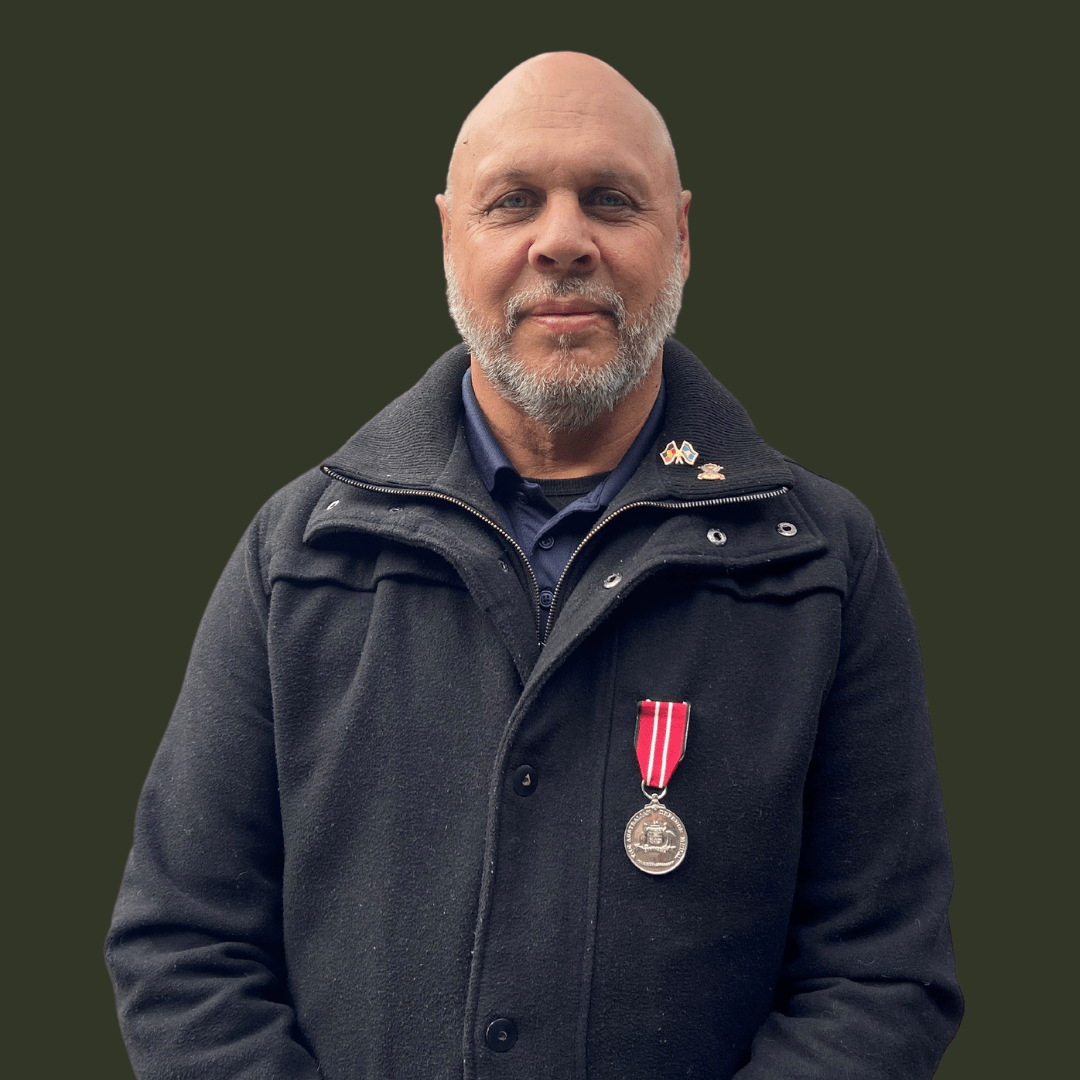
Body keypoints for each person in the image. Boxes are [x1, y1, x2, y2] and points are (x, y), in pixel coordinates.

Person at [106, 51, 962, 1079]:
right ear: (449, 238)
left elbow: (880, 978)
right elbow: (182, 948)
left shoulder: (822, 562)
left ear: (681, 235)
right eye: (514, 202)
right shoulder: (298, 553)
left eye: (610, 199)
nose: (564, 241)